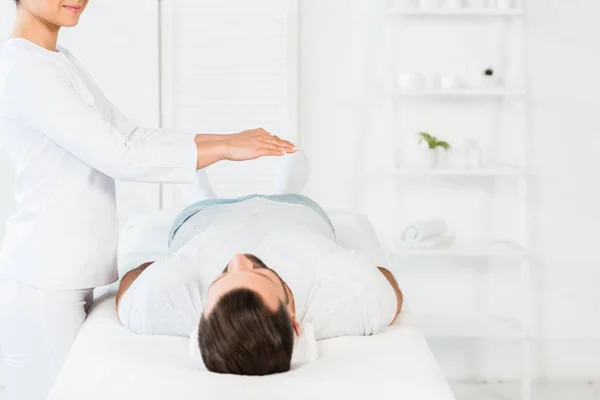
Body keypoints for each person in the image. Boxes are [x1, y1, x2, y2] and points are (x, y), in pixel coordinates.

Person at [0, 1, 295, 399]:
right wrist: (226, 147)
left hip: (68, 272)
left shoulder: (56, 61)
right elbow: (119, 155)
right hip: (44, 277)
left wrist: (227, 139)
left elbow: (131, 135)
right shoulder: (26, 70)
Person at [116, 152, 404, 376]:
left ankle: (198, 191)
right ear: (294, 319)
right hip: (294, 210)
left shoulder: (161, 308)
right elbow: (388, 284)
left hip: (206, 216)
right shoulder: (346, 306)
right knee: (291, 201)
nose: (239, 258)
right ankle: (285, 187)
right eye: (261, 274)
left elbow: (132, 280)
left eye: (222, 276)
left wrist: (175, 266)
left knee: (199, 204)